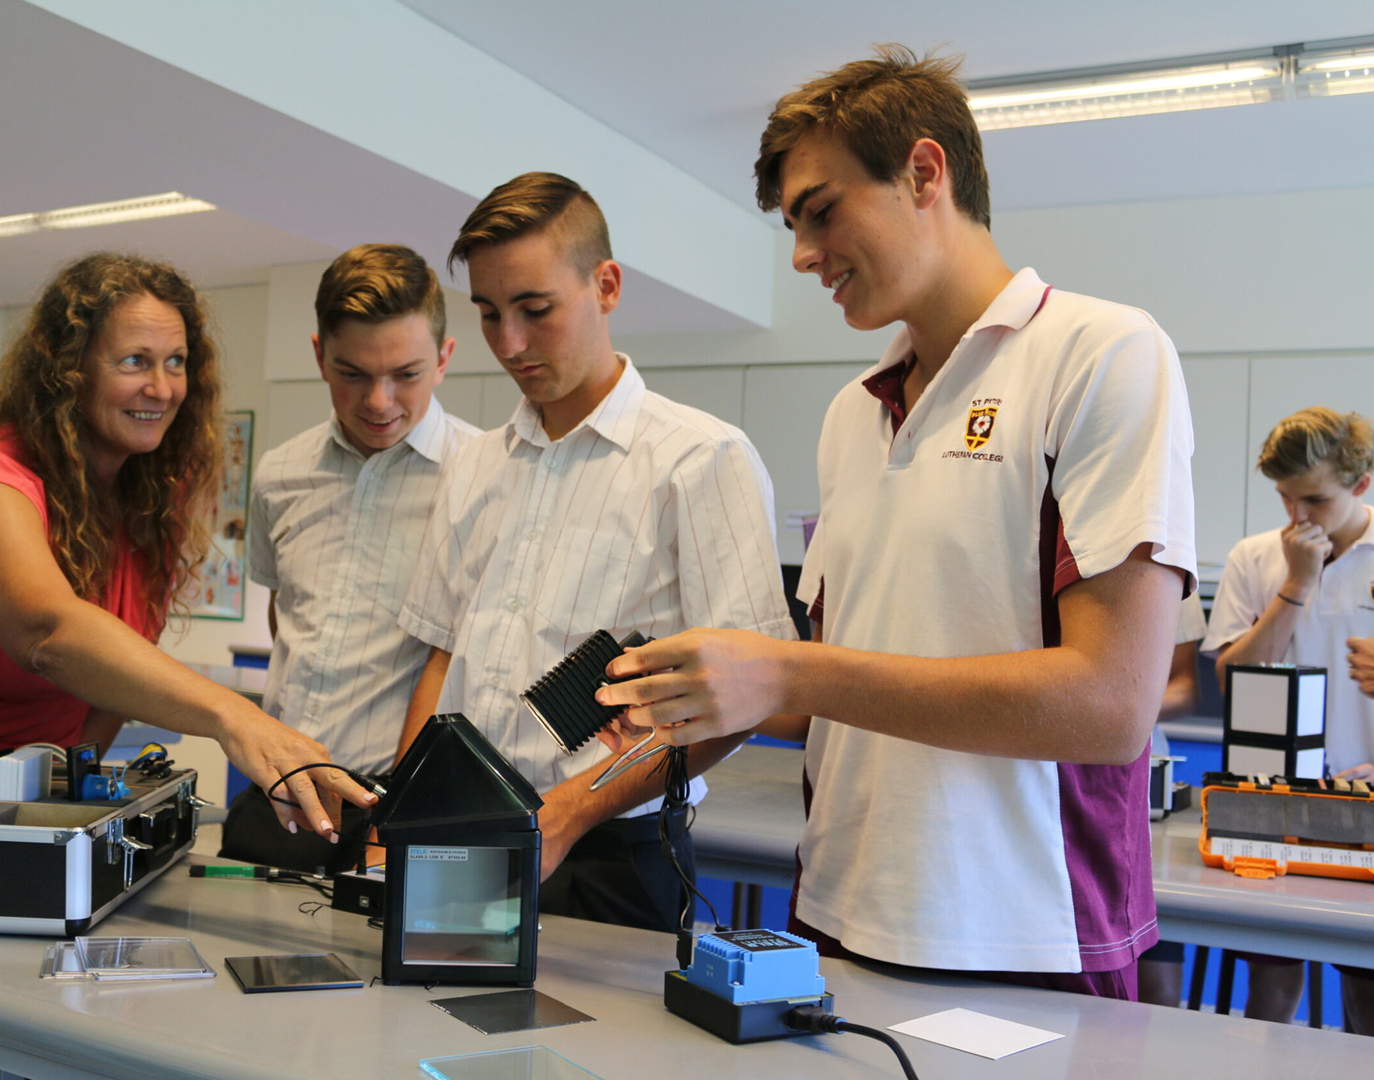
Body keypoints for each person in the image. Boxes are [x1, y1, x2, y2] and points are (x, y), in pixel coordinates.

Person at [597, 47, 1195, 999]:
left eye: (821, 211)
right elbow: (832, 685)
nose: (801, 254)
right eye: (793, 226)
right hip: (832, 916)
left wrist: (786, 666)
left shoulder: (1101, 352)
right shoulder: (851, 415)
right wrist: (697, 679)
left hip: (1024, 936)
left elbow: (1112, 707)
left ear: (925, 172)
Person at [396, 172, 795, 933]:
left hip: (614, 856)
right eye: (488, 314)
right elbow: (444, 658)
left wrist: (569, 813)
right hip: (465, 835)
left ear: (605, 286)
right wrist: (403, 810)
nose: (509, 343)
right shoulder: (474, 465)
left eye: (535, 310)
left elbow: (744, 696)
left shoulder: (701, 458)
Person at [0, 253, 374, 833]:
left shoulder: (150, 500)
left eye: (176, 362)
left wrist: (63, 796)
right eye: (135, 361)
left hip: (28, 792)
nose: (161, 388)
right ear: (68, 369)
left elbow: (110, 686)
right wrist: (237, 717)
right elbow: (49, 634)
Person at [219, 244, 479, 873]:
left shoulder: (483, 478)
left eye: (406, 374)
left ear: (444, 360)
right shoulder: (280, 474)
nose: (380, 401)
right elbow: (287, 614)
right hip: (276, 794)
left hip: (400, 809)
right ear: (319, 356)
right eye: (354, 373)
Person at [1202, 406, 1374, 1031]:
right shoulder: (1254, 558)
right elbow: (1231, 681)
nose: (1296, 519)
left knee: (1366, 994)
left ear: (1360, 485)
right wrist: (1296, 586)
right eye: (1283, 498)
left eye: (1314, 500)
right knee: (1270, 984)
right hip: (1270, 806)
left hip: (1366, 805)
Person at [1136, 592, 1209, 1008]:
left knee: (1156, 987)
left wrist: (1120, 709)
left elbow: (1185, 685)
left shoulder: (1168, 556)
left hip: (1133, 785)